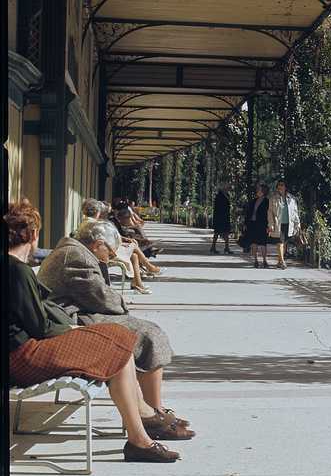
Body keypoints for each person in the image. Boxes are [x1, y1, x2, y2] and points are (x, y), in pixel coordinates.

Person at [5, 201, 180, 462]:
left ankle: (142, 430)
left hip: (21, 351)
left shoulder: (15, 267)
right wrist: (74, 330)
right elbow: (39, 327)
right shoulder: (18, 271)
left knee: (120, 340)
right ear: (32, 234)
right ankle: (141, 435)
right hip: (23, 356)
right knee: (118, 345)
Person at [37, 219, 193, 439]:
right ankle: (153, 415)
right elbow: (100, 297)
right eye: (110, 252)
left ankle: (153, 411)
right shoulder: (76, 256)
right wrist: (122, 305)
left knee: (146, 331)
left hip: (74, 314)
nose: (110, 257)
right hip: (69, 320)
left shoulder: (75, 251)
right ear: (97, 244)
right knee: (149, 334)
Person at [80, 198, 161, 294]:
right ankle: (149, 268)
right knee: (133, 246)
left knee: (134, 255)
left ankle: (137, 282)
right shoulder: (93, 224)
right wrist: (116, 248)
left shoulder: (89, 222)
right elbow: (102, 242)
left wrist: (122, 242)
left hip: (102, 250)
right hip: (103, 253)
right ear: (97, 211)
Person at [268, 180, 301, 270]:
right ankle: (282, 262)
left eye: (282, 185)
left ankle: (279, 261)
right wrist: (271, 224)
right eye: (278, 185)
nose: (280, 187)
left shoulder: (292, 199)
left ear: (285, 187)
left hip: (289, 224)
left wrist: (297, 223)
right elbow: (270, 212)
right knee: (280, 242)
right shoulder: (273, 198)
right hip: (278, 224)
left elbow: (295, 212)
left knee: (284, 242)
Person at [244, 182, 270, 268]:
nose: (257, 191)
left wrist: (269, 225)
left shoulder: (267, 202)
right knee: (254, 243)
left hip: (262, 225)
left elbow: (269, 215)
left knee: (263, 243)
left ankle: (264, 261)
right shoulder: (253, 201)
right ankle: (256, 260)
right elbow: (248, 213)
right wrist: (246, 223)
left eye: (259, 189)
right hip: (252, 224)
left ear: (263, 191)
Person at [210, 184, 232, 255]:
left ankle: (226, 247)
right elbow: (218, 208)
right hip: (220, 217)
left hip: (225, 216)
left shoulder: (227, 195)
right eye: (227, 187)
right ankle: (214, 247)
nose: (228, 188)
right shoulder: (219, 196)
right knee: (217, 232)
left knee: (225, 232)